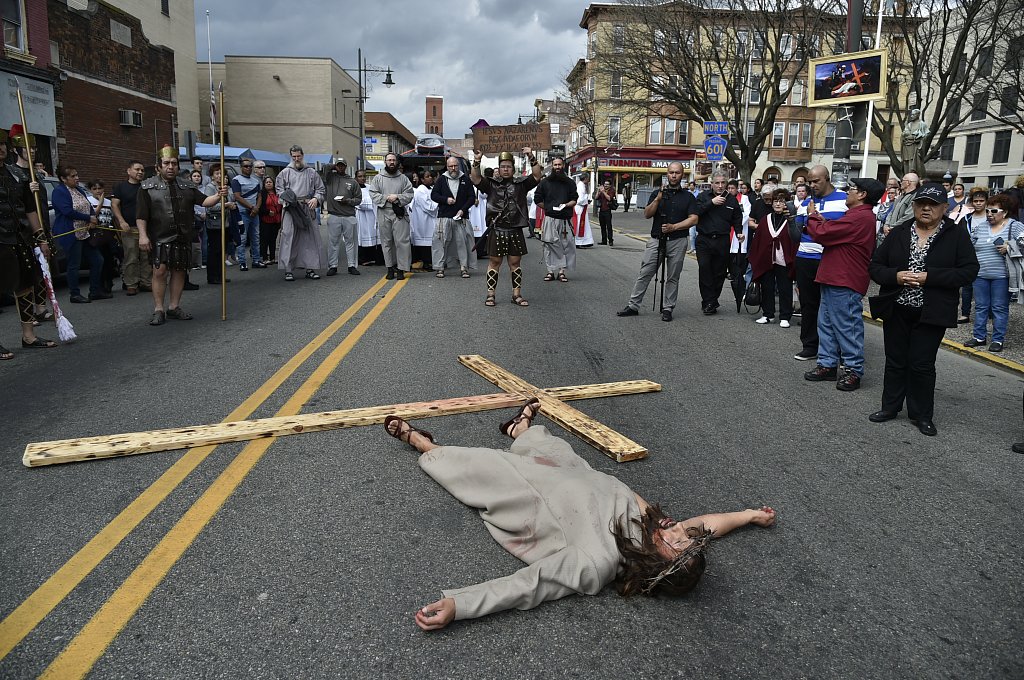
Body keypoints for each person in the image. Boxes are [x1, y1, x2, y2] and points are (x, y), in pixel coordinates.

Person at [382, 400, 777, 631]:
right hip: (573, 474)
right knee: (541, 443)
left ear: (656, 565)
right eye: (686, 540)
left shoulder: (597, 562)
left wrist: (460, 606)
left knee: (460, 465)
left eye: (677, 546)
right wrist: (748, 515)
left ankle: (420, 440)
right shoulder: (662, 532)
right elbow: (708, 525)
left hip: (527, 493)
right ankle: (519, 428)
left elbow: (530, 584)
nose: (679, 535)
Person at [867, 183, 979, 437]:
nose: (926, 208)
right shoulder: (899, 232)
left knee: (922, 364)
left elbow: (969, 270)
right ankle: (890, 407)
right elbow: (875, 266)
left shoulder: (955, 234)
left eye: (932, 204)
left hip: (932, 311)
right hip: (897, 307)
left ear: (943, 208)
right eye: (921, 203)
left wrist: (931, 278)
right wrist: (896, 276)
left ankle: (921, 415)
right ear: (914, 206)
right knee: (895, 361)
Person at [803, 177, 883, 392]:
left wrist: (812, 217)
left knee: (847, 326)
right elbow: (832, 231)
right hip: (834, 276)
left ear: (863, 195)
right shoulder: (855, 216)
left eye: (853, 189)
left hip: (844, 279)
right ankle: (827, 364)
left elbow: (823, 234)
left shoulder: (860, 217)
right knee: (827, 324)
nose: (848, 191)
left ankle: (853, 369)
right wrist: (820, 220)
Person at [137, 146, 226, 325]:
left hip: (183, 235)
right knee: (159, 272)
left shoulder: (187, 186)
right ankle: (158, 309)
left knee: (179, 272)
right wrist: (143, 236)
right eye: (166, 163)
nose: (170, 167)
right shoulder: (147, 187)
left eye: (174, 163)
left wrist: (218, 195)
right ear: (158, 166)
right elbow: (141, 215)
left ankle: (173, 307)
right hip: (159, 236)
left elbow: (205, 201)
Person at [616, 162, 698, 323]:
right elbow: (647, 214)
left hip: (678, 240)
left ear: (682, 175)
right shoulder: (656, 193)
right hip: (656, 239)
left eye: (677, 173)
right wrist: (658, 199)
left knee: (673, 276)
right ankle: (633, 305)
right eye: (671, 172)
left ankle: (668, 308)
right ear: (667, 174)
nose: (674, 175)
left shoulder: (688, 196)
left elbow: (694, 219)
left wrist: (674, 227)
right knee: (645, 272)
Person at [0, 129, 56, 356]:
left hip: (21, 238)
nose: (1, 148)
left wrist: (40, 236)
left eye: (2, 144)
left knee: (26, 285)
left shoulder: (16, 174)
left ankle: (29, 336)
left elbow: (29, 209)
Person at [471, 147, 543, 307]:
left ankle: (516, 295)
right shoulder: (490, 184)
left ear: (513, 168)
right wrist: (477, 161)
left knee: (515, 263)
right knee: (494, 262)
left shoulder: (521, 184)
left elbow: (537, 176)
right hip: (497, 229)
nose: (505, 169)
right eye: (503, 166)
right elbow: (475, 179)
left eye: (508, 166)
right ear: (499, 167)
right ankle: (490, 295)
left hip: (515, 229)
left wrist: (531, 156)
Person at [793, 165, 847, 360]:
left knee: (832, 305)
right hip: (806, 257)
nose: (812, 185)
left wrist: (819, 223)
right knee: (808, 304)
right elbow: (797, 229)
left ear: (827, 178)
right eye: (809, 182)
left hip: (830, 258)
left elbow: (844, 229)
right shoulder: (806, 202)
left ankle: (836, 348)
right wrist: (809, 225)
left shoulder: (844, 199)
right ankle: (810, 345)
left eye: (816, 181)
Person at [963, 193, 1024, 352]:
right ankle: (979, 337)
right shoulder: (981, 227)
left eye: (994, 211)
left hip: (1002, 277)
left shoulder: (1014, 226)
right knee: (981, 306)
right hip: (980, 274)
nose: (989, 214)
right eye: (988, 211)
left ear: (1004, 212)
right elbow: (970, 246)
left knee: (999, 307)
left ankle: (997, 340)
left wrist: (1009, 247)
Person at [52, 165, 104, 304]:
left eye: (77, 175)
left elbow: (88, 206)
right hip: (71, 232)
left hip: (85, 232)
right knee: (74, 264)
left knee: (97, 260)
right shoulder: (59, 192)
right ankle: (74, 294)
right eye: (73, 176)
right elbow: (67, 211)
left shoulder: (79, 190)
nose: (77, 178)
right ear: (63, 179)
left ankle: (94, 291)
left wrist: (93, 218)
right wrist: (88, 218)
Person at [276, 145, 326, 282]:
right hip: (291, 208)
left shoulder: (311, 172)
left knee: (309, 238)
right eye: (294, 157)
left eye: (299, 156)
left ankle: (310, 268)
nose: (297, 159)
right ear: (291, 157)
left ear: (303, 155)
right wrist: (287, 200)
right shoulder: (285, 173)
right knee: (288, 237)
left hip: (306, 207)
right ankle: (288, 269)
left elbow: (320, 189)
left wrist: (316, 199)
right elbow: (279, 191)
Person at [694, 171, 742, 315]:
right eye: (717, 183)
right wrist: (711, 203)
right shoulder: (703, 197)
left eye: (723, 183)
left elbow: (737, 218)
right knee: (705, 269)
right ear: (712, 183)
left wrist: (739, 231)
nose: (720, 186)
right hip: (704, 239)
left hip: (722, 240)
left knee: (719, 273)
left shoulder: (732, 200)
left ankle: (711, 301)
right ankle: (709, 301)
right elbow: (695, 212)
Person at [749, 188, 797, 327]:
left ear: (786, 203)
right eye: (776, 201)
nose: (777, 204)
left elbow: (794, 240)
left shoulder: (790, 220)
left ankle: (785, 316)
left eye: (781, 201)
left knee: (785, 288)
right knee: (767, 287)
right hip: (767, 259)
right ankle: (767, 314)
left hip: (783, 259)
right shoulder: (766, 219)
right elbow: (759, 239)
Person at [369, 152, 414, 280]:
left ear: (397, 162)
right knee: (386, 241)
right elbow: (373, 193)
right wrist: (386, 198)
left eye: (393, 160)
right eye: (389, 160)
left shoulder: (403, 178)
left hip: (399, 212)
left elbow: (410, 194)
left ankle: (401, 269)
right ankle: (389, 267)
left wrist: (398, 197)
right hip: (384, 211)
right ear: (385, 162)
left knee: (401, 242)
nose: (391, 162)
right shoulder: (378, 178)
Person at [430, 156, 476, 278]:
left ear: (458, 166)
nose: (453, 168)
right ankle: (440, 268)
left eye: (455, 166)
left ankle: (464, 268)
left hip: (461, 217)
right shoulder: (441, 180)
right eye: (451, 166)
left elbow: (471, 197)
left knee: (463, 243)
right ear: (447, 166)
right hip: (444, 216)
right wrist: (446, 200)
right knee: (440, 242)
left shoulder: (465, 179)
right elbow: (434, 195)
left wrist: (463, 209)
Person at [534, 156, 579, 283]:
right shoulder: (545, 182)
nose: (557, 167)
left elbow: (574, 199)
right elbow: (537, 199)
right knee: (549, 245)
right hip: (550, 219)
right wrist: (548, 208)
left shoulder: (570, 182)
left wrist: (565, 205)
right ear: (552, 166)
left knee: (566, 246)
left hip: (565, 219)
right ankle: (550, 271)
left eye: (559, 165)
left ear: (563, 165)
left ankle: (561, 272)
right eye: (555, 165)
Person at [111, 160, 152, 296]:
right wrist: (121, 221)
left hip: (146, 228)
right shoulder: (120, 187)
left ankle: (146, 282)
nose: (140, 172)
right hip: (129, 228)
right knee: (131, 256)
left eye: (142, 170)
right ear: (129, 171)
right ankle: (131, 284)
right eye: (137, 169)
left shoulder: (146, 187)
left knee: (146, 256)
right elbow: (115, 205)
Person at [323, 156, 361, 276]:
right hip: (334, 214)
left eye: (342, 165)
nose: (340, 167)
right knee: (333, 242)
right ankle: (333, 266)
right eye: (338, 165)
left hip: (349, 215)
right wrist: (333, 166)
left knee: (351, 242)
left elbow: (358, 199)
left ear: (345, 166)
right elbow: (324, 168)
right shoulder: (330, 178)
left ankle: (352, 265)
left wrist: (348, 201)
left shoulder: (352, 181)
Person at [956, 187, 990, 323]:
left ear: (986, 202)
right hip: (969, 255)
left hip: (987, 255)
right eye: (976, 201)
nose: (978, 203)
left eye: (981, 201)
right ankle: (965, 313)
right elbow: (958, 234)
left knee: (986, 286)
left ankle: (989, 313)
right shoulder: (966, 218)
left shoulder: (990, 217)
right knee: (967, 286)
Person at [202, 166, 236, 286]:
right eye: (217, 173)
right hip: (214, 224)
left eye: (222, 174)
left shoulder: (226, 187)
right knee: (215, 250)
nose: (219, 176)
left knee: (223, 250)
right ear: (212, 175)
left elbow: (232, 199)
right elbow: (210, 206)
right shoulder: (210, 188)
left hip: (225, 223)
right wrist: (226, 205)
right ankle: (212, 276)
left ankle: (221, 275)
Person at [230, 158, 264, 271]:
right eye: (246, 166)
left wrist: (257, 208)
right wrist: (251, 207)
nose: (248, 168)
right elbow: (237, 196)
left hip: (254, 213)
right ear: (241, 167)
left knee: (256, 237)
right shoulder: (236, 180)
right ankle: (242, 262)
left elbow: (259, 196)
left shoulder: (255, 181)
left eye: (250, 166)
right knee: (242, 238)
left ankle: (256, 260)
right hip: (243, 212)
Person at [85, 179, 117, 295]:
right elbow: (93, 216)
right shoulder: (88, 201)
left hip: (108, 234)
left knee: (109, 260)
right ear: (90, 190)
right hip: (96, 235)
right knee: (99, 260)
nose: (98, 191)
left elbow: (114, 217)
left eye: (100, 188)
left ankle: (108, 283)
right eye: (94, 189)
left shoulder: (109, 202)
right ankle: (99, 285)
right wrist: (100, 202)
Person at [409, 170, 437, 272]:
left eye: (430, 176)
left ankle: (431, 261)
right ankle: (426, 263)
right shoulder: (420, 190)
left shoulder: (431, 188)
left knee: (431, 242)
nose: (430, 178)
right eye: (427, 176)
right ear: (422, 179)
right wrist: (439, 202)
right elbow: (429, 207)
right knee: (425, 242)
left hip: (430, 220)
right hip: (423, 220)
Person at [355, 169, 383, 267]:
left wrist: (375, 203)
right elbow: (359, 203)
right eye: (360, 176)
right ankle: (363, 258)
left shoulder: (370, 187)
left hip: (372, 216)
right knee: (363, 237)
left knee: (374, 237)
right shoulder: (355, 189)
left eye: (364, 176)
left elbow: (376, 198)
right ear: (356, 178)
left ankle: (373, 257)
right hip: (362, 217)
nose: (362, 178)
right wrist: (373, 203)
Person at [258, 176, 282, 266]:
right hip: (265, 219)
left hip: (276, 220)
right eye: (266, 182)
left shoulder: (277, 193)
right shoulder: (262, 194)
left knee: (273, 239)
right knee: (265, 239)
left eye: (270, 182)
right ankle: (264, 258)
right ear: (264, 184)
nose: (268, 183)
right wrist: (268, 212)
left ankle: (272, 257)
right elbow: (260, 207)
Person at [573, 174, 594, 248]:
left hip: (582, 208)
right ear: (585, 178)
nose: (588, 180)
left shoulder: (582, 185)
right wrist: (586, 199)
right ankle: (578, 241)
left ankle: (586, 241)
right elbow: (579, 199)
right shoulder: (580, 186)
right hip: (580, 208)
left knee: (584, 225)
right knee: (580, 224)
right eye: (588, 178)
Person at [595, 180, 616, 246]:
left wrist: (603, 192)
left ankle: (610, 240)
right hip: (601, 210)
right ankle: (604, 240)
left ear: (610, 185)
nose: (605, 185)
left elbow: (609, 198)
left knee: (609, 226)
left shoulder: (611, 191)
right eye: (605, 184)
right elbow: (596, 198)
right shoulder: (601, 191)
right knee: (602, 226)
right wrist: (598, 191)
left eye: (607, 184)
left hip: (607, 210)